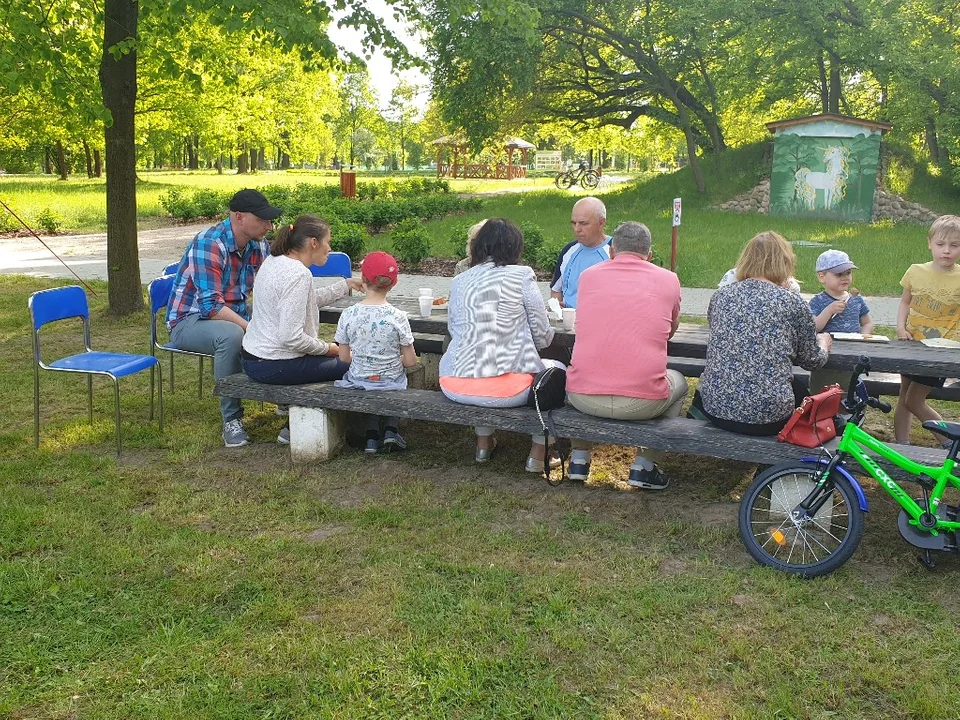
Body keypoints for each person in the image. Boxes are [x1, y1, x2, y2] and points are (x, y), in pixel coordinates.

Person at [565, 221, 685, 489]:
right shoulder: (669, 279)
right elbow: (670, 330)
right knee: (681, 382)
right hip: (642, 404)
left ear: (611, 251)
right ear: (650, 255)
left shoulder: (588, 276)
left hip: (582, 396)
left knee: (576, 369)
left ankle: (579, 460)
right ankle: (645, 465)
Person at [440, 218, 561, 471]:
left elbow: (454, 329)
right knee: (556, 371)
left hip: (453, 382)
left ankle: (484, 443)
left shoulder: (460, 281)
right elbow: (541, 336)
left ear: (478, 246)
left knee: (484, 363)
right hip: (506, 390)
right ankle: (538, 452)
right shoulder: (522, 276)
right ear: (515, 247)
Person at [166, 189, 281, 448]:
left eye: (270, 220)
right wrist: (251, 327)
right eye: (262, 219)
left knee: (278, 321)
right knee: (232, 336)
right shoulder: (209, 243)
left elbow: (268, 289)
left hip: (233, 313)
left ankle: (284, 398)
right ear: (239, 217)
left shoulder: (258, 244)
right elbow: (210, 306)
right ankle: (232, 419)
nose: (269, 225)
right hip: (189, 320)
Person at [690, 231, 832, 435]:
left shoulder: (721, 296)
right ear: (785, 262)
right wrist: (823, 345)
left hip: (715, 408)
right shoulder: (792, 302)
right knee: (797, 390)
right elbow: (811, 361)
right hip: (768, 416)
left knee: (792, 387)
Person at [240, 215, 363, 444]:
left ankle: (293, 427)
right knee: (355, 363)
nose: (330, 247)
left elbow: (301, 302)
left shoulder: (275, 261)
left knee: (342, 359)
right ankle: (298, 428)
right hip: (274, 364)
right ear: (313, 243)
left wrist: (344, 285)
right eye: (328, 241)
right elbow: (291, 338)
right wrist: (331, 349)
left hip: (253, 359)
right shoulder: (298, 274)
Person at [334, 251, 417, 453]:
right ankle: (391, 429)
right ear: (394, 283)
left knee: (369, 384)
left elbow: (344, 358)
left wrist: (364, 359)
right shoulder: (398, 316)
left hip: (360, 378)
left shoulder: (348, 314)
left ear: (363, 279)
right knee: (397, 379)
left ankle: (371, 437)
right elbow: (410, 361)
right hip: (390, 378)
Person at [894, 215, 960, 445]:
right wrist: (901, 328)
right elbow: (905, 302)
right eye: (941, 244)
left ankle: (949, 440)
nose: (947, 251)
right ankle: (902, 445)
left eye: (954, 245)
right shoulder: (915, 271)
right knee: (904, 397)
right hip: (911, 344)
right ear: (929, 243)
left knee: (914, 400)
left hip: (941, 351)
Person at [808, 249, 873, 392]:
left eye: (848, 273)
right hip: (828, 355)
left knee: (848, 388)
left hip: (852, 352)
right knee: (822, 390)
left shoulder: (856, 299)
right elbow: (815, 327)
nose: (845, 277)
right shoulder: (817, 301)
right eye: (839, 274)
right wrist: (829, 310)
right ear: (822, 276)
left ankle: (847, 411)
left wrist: (864, 335)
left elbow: (867, 322)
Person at [550, 197, 611, 308]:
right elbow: (556, 290)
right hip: (569, 321)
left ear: (601, 223)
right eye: (574, 223)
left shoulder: (615, 251)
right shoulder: (569, 250)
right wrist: (558, 311)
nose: (577, 229)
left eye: (583, 223)